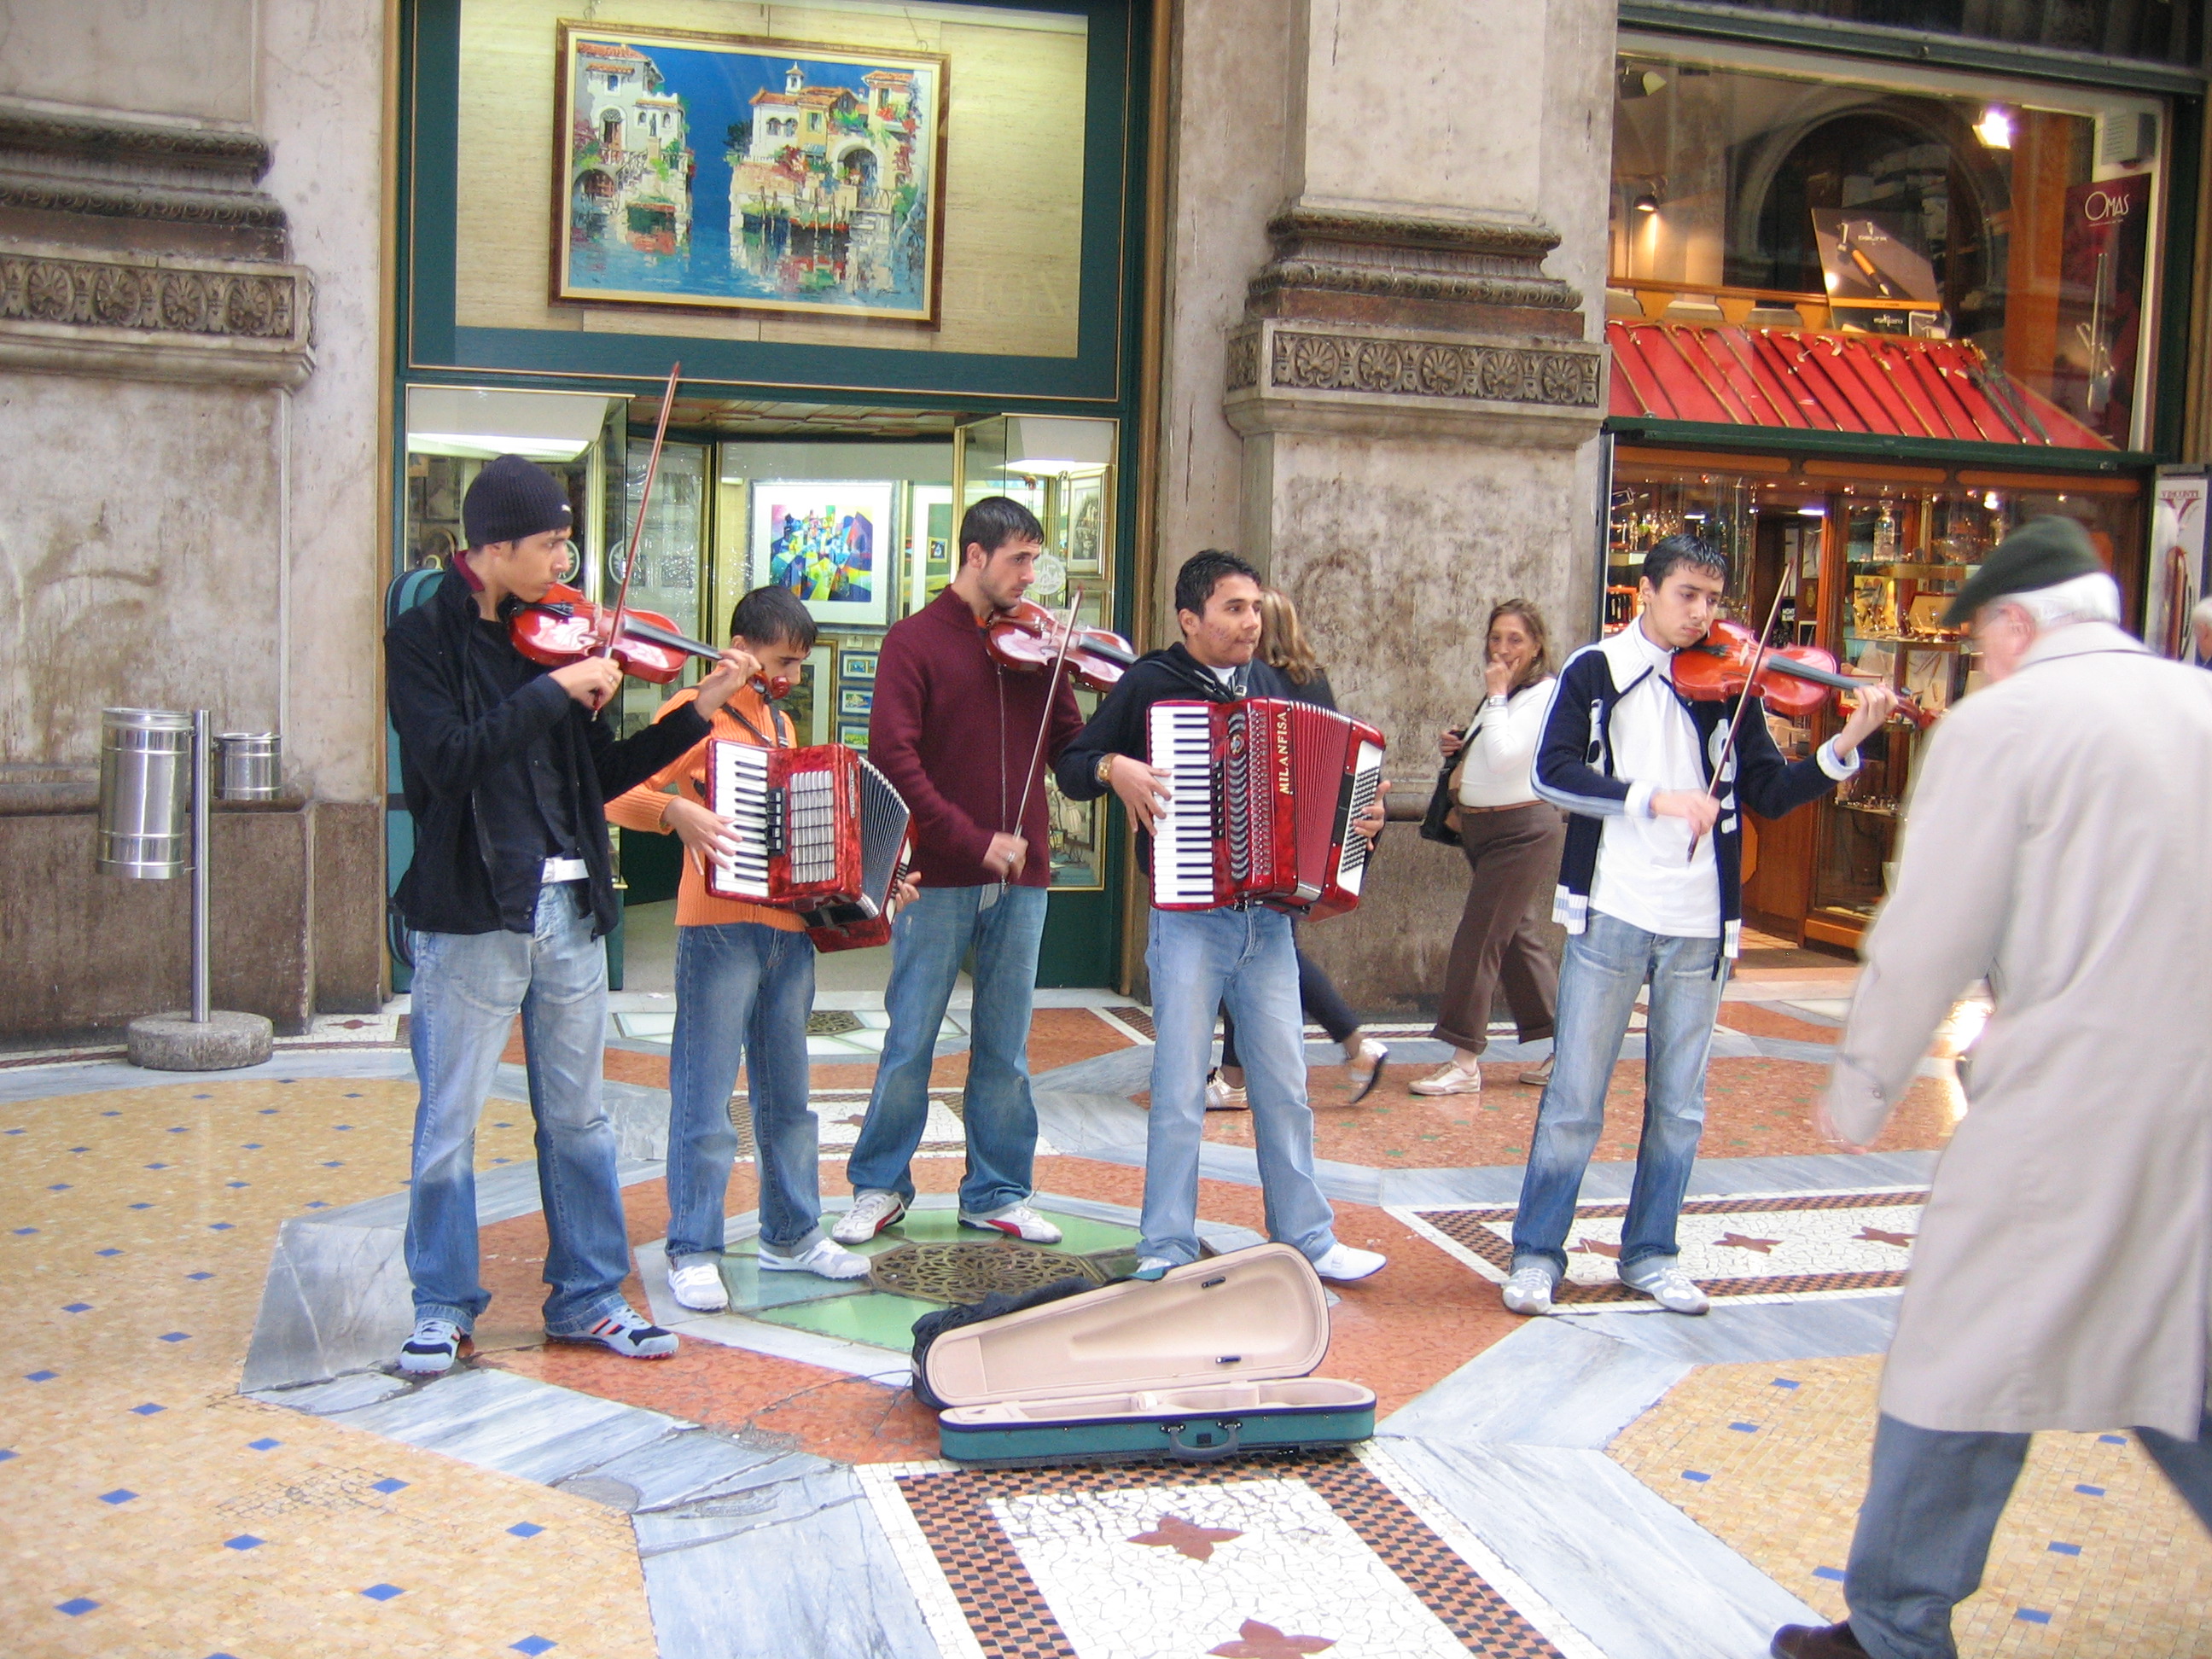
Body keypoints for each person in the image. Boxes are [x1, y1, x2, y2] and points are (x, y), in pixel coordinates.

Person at [1770, 518, 2212, 1659]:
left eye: (1982, 638)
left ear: (2018, 624)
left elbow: (1929, 932)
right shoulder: (2201, 707)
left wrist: (1862, 1085)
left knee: (1959, 1359)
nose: (1980, 660)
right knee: (2183, 1355)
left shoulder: (2003, 726)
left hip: (2072, 1104)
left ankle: (1892, 1627)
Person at [385, 453, 760, 1375]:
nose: (565, 561)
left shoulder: (558, 637)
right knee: (450, 1119)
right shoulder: (422, 641)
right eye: (551, 542)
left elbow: (599, 777)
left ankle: (588, 1297)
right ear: (494, 546)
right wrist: (550, 690)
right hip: (473, 912)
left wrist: (696, 713)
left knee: (581, 1119)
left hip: (569, 906)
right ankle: (440, 1304)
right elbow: (444, 762)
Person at [1502, 534, 1895, 1318]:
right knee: (1576, 1096)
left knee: (1680, 1104)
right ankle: (1537, 1253)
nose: (1703, 615)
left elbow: (1772, 793)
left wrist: (1848, 741)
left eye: (1714, 600)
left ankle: (1651, 1252)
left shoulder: (1730, 686)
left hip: (1700, 925)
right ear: (1645, 591)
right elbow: (1553, 772)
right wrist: (1655, 798)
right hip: (1614, 908)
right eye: (1688, 595)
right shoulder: (1596, 670)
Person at [1056, 550, 1390, 1284]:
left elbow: (1336, 797)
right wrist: (1119, 769)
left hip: (1268, 922)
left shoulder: (1278, 686)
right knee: (1178, 1090)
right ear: (1190, 619)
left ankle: (1308, 1235)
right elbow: (1074, 765)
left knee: (1285, 1086)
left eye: (1255, 607)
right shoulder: (1150, 682)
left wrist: (1365, 820)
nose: (1251, 621)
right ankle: (1165, 1245)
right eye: (1234, 609)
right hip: (1189, 924)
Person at [607, 585, 908, 1311]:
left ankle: (792, 1234)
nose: (794, 678)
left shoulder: (780, 723)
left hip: (786, 933)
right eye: (784, 662)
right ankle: (693, 1247)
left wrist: (878, 881)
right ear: (741, 648)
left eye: (801, 665)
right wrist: (673, 810)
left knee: (789, 1100)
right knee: (705, 1095)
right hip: (714, 926)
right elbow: (617, 794)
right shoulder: (692, 711)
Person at [835, 498, 1084, 1247]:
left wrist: (1117, 753)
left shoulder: (1038, 647)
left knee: (1005, 1046)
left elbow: (1070, 749)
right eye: (1019, 559)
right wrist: (971, 839)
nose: (1030, 576)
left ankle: (998, 1192)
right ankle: (879, 1186)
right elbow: (896, 759)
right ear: (975, 556)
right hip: (939, 876)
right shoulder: (914, 642)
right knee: (910, 1038)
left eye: (1036, 560)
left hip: (1024, 877)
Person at [1211, 586, 1390, 1109]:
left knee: (1258, 951)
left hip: (1266, 838)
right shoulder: (1314, 681)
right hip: (1308, 843)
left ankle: (1353, 1042)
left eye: (1249, 617)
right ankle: (1238, 1075)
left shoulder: (1254, 687)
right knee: (1257, 950)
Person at [1412, 599, 1566, 1097]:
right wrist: (1462, 744)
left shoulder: (1543, 692)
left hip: (1521, 831)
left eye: (1515, 640)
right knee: (1517, 938)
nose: (1502, 649)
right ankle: (1568, 1050)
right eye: (1496, 638)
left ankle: (1464, 1059)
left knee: (1478, 939)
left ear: (1537, 644)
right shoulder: (1511, 695)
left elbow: (1504, 758)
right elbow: (1494, 747)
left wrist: (1495, 699)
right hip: (1487, 831)